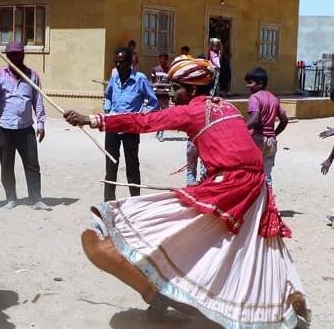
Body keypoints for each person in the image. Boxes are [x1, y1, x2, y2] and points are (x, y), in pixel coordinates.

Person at [63, 56, 310, 328]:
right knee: (228, 251)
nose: (172, 94)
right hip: (255, 187)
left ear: (192, 90)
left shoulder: (193, 110)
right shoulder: (226, 106)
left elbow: (145, 121)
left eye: (177, 88)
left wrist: (92, 119)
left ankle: (166, 297)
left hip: (231, 187)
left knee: (168, 233)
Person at [0, 41, 50, 211]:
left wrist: (41, 124)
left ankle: (36, 198)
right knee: (7, 164)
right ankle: (11, 197)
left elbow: (38, 101)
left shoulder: (33, 76)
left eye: (18, 54)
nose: (15, 57)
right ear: (7, 56)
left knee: (32, 164)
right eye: (11, 55)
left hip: (26, 128)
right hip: (4, 127)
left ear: (23, 55)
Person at [102, 47, 158, 201]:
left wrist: (142, 116)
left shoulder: (140, 79)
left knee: (132, 166)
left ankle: (135, 201)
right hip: (112, 126)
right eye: (117, 62)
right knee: (110, 166)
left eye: (122, 62)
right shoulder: (114, 76)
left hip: (130, 129)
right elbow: (107, 95)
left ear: (130, 63)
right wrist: (107, 108)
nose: (118, 65)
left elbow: (153, 101)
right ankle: (108, 201)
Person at [245, 67, 288, 186]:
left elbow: (255, 119)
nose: (248, 85)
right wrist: (274, 133)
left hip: (257, 138)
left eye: (250, 82)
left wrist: (241, 130)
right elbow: (284, 120)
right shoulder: (274, 98)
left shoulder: (255, 97)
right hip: (271, 142)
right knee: (267, 176)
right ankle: (268, 203)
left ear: (260, 83)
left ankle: (255, 202)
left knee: (252, 174)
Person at [150, 52, 171, 142]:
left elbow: (171, 82)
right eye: (161, 58)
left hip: (165, 95)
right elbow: (152, 81)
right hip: (157, 94)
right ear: (159, 59)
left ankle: (161, 132)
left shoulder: (170, 70)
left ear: (167, 60)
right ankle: (158, 130)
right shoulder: (155, 69)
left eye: (165, 59)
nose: (163, 60)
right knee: (157, 114)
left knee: (164, 114)